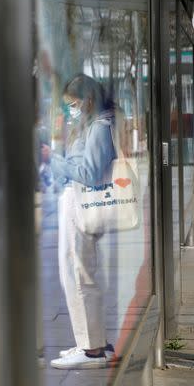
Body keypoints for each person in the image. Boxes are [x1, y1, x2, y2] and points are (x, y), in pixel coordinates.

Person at [48, 74, 116, 369]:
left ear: (88, 100)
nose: (70, 110)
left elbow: (88, 172)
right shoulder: (89, 126)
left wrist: (51, 158)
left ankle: (91, 349)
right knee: (77, 273)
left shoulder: (100, 128)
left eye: (73, 104)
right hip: (75, 200)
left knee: (78, 274)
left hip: (81, 202)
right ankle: (90, 342)